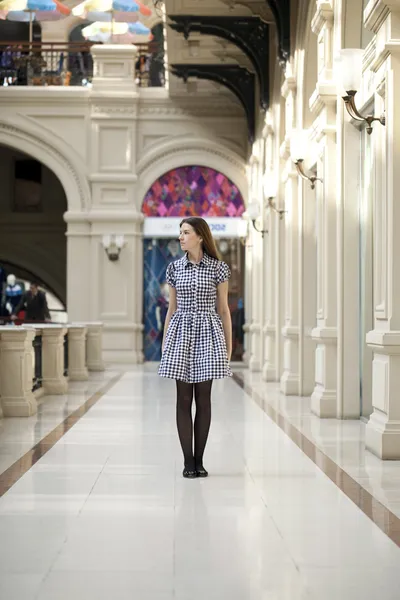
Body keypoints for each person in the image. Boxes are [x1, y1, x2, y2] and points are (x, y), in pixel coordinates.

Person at [158, 217, 232, 479]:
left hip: (208, 334)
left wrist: (228, 346)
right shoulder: (174, 268)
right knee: (183, 399)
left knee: (203, 399)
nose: (181, 237)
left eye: (185, 232)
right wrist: (166, 343)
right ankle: (187, 461)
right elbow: (172, 309)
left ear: (200, 236)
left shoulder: (218, 269)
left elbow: (223, 310)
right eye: (180, 233)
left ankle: (200, 460)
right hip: (180, 332)